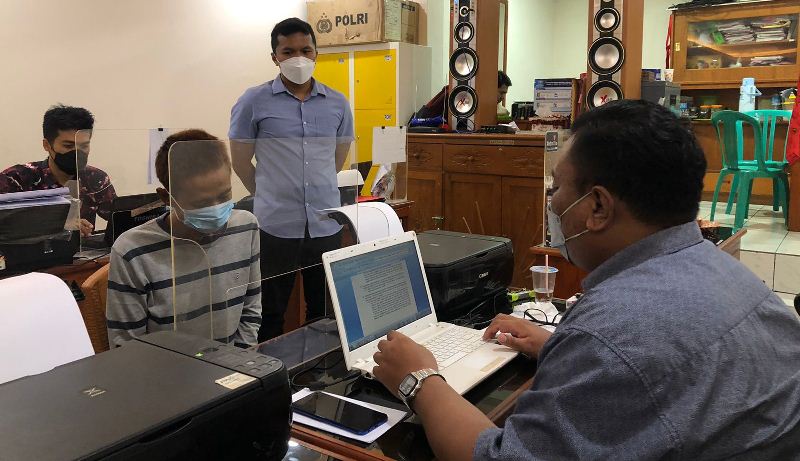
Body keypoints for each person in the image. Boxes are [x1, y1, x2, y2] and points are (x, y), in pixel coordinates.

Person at [371, 100, 800, 460]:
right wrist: (557, 346)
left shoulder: (610, 332)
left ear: (597, 207)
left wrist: (419, 380)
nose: (552, 203)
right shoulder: (735, 277)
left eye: (556, 188)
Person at [229, 17, 354, 342]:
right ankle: (268, 372)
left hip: (326, 223)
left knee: (325, 313)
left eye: (305, 50)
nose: (298, 58)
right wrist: (268, 193)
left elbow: (337, 160)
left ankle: (319, 371)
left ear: (316, 53)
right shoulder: (253, 101)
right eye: (288, 51)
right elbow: (240, 161)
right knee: (269, 314)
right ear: (275, 57)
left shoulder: (338, 103)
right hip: (275, 227)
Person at [106, 129, 261, 348]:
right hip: (165, 367)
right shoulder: (132, 251)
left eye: (224, 195)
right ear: (166, 197)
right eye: (201, 203)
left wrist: (241, 361)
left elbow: (250, 309)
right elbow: (127, 346)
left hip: (233, 363)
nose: (216, 210)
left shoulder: (245, 227)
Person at [0, 105, 116, 236]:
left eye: (84, 146)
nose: (77, 153)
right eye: (68, 146)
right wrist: (59, 227)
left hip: (83, 249)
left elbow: (117, 217)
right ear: (47, 145)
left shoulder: (95, 178)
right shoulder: (16, 179)